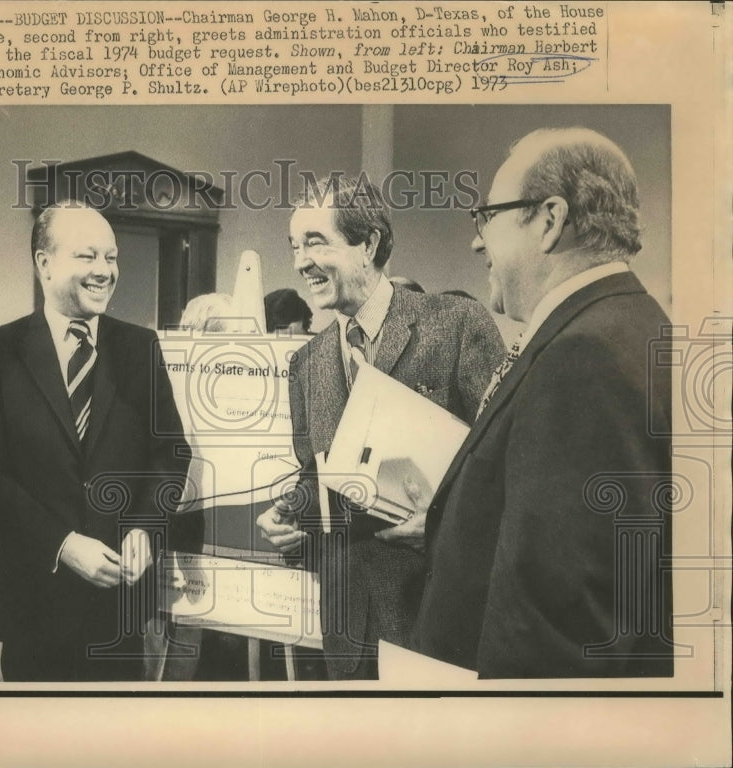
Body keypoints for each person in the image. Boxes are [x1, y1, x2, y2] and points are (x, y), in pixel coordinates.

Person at [413, 127, 673, 678]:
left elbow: (556, 621)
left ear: (550, 221)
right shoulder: (626, 325)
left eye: (487, 217)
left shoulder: (584, 354)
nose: (476, 242)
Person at [256, 176, 505, 680]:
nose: (301, 260)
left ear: (368, 243)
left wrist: (439, 530)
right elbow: (319, 476)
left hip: (438, 622)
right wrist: (289, 520)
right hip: (346, 633)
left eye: (316, 241)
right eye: (294, 246)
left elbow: (504, 466)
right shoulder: (306, 363)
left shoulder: (455, 324)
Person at [0, 204, 196, 682]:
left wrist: (145, 529)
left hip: (119, 606)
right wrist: (62, 545)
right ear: (44, 263)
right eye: (88, 256)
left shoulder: (139, 347)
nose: (105, 271)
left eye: (111, 257)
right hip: (34, 605)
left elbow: (170, 453)